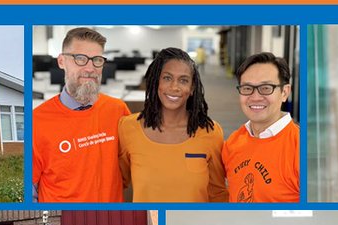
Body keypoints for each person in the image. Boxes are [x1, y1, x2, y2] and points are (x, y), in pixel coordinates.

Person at [32, 27, 130, 202]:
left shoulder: (118, 111)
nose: (90, 68)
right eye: (80, 59)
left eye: (97, 60)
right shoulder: (36, 121)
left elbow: (129, 170)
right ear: (62, 61)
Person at [118, 48, 227, 202]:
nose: (174, 87)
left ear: (192, 88)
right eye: (167, 78)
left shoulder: (211, 132)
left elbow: (218, 193)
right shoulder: (128, 128)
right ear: (156, 82)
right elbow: (117, 186)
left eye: (183, 80)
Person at [222, 53, 299, 202]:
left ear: (284, 92)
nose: (255, 97)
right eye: (247, 88)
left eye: (265, 88)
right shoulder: (233, 142)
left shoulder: (299, 148)